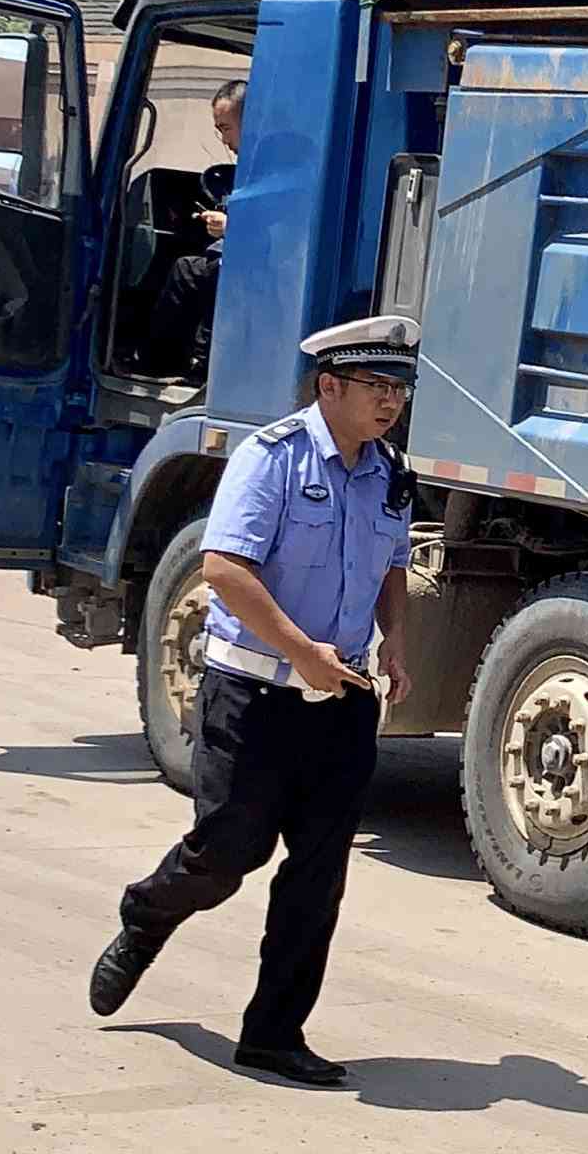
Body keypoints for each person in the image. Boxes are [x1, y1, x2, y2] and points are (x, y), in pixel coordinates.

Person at [89, 314, 421, 1085]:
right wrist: (301, 652)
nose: (390, 403)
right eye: (376, 387)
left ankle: (273, 1033)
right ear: (329, 386)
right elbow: (226, 568)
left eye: (399, 390)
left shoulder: (389, 472)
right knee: (227, 853)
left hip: (341, 703)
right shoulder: (269, 458)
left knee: (319, 873)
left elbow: (394, 565)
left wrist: (395, 641)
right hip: (254, 696)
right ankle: (147, 915)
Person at [147, 79, 244, 378]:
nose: (224, 140)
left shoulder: (271, 164)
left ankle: (160, 363)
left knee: (186, 270)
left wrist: (230, 227)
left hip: (254, 268)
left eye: (226, 128)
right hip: (243, 260)